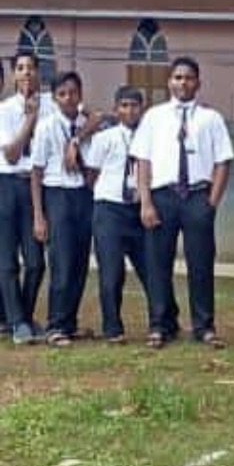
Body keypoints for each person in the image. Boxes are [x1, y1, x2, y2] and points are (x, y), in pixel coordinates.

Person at [132, 56, 234, 350]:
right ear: (169, 82)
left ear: (198, 83)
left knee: (200, 263)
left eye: (188, 78)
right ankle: (160, 324)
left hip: (197, 196)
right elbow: (143, 160)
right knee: (157, 263)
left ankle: (204, 326)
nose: (183, 82)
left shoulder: (211, 119)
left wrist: (211, 202)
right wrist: (146, 202)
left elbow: (223, 161)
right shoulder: (154, 117)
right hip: (162, 196)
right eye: (177, 77)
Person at [30, 71, 94, 346]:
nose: (68, 98)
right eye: (62, 94)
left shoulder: (86, 124)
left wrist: (77, 139)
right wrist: (39, 215)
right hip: (57, 194)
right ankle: (55, 324)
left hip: (84, 195)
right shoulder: (46, 126)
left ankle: (69, 322)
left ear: (81, 94)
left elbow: (101, 116)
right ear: (54, 98)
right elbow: (36, 172)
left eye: (73, 92)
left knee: (80, 262)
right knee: (62, 262)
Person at [84, 86, 151, 343]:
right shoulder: (105, 138)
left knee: (151, 269)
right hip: (109, 209)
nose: (130, 110)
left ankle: (164, 321)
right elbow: (92, 174)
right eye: (124, 105)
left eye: (134, 105)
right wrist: (107, 193)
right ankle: (112, 327)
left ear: (142, 108)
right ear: (116, 109)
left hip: (139, 209)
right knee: (112, 272)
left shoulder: (150, 137)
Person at [0, 53, 49, 345]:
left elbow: (89, 116)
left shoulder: (51, 105)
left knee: (35, 262)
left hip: (36, 187)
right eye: (20, 68)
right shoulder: (5, 110)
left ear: (39, 72)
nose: (26, 73)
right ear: (14, 76)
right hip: (7, 184)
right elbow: (12, 153)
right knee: (7, 261)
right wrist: (30, 118)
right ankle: (17, 322)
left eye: (31, 67)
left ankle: (23, 317)